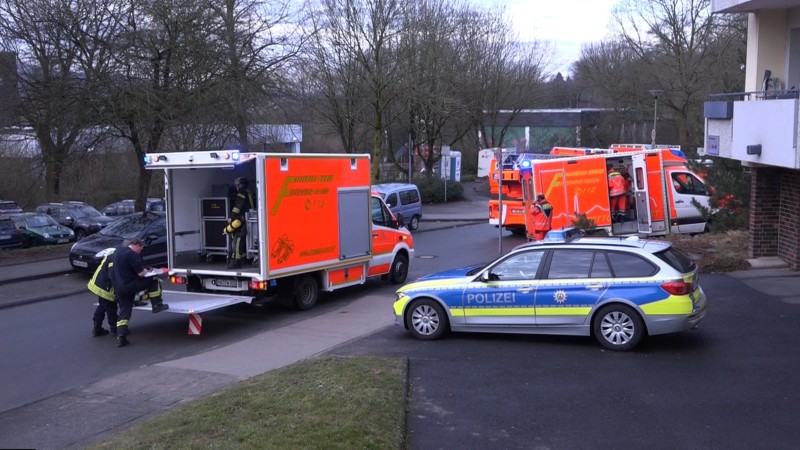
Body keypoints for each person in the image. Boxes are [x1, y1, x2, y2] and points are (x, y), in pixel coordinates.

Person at [110, 237, 169, 348]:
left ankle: (121, 336)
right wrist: (149, 271)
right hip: (131, 285)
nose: (140, 252)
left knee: (124, 311)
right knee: (154, 279)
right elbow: (141, 273)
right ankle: (157, 305)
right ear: (137, 245)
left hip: (120, 288)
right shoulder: (133, 255)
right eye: (140, 249)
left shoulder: (119, 252)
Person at [223, 176, 255, 269]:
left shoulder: (242, 192)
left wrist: (231, 217)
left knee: (237, 240)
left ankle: (236, 262)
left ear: (239, 184)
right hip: (248, 219)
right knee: (243, 241)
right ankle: (242, 258)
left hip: (241, 220)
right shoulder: (249, 192)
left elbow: (238, 206)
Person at [87, 249, 118, 337]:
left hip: (97, 283)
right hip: (106, 286)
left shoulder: (111, 254)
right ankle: (114, 329)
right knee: (111, 307)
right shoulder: (116, 258)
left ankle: (97, 328)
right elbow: (112, 275)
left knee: (102, 305)